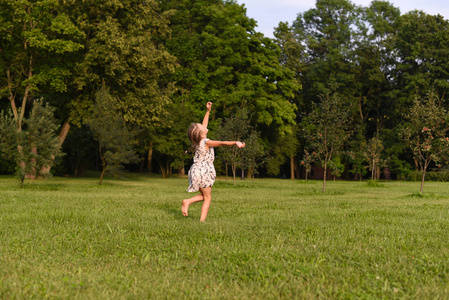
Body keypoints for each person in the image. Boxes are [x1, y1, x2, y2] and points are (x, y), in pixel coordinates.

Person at [182, 102, 245, 222]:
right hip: (204, 171)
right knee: (207, 198)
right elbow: (221, 143)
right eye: (201, 126)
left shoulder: (197, 142)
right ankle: (200, 220)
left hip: (195, 171)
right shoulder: (206, 142)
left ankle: (188, 201)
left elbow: (205, 124)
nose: (203, 125)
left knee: (204, 196)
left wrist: (208, 111)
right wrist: (235, 142)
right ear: (201, 134)